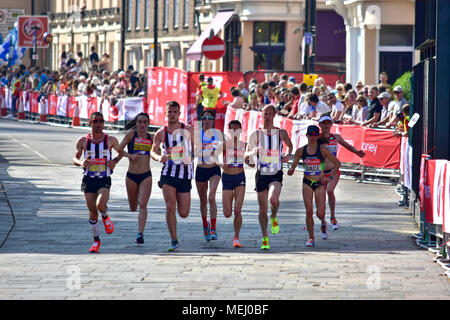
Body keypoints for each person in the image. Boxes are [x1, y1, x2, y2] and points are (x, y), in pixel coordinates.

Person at [245, 104, 293, 250]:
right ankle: (265, 237)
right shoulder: (256, 134)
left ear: (274, 115)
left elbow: (290, 147)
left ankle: (274, 216)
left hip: (276, 173)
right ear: (262, 114)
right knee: (262, 209)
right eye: (265, 113)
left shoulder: (281, 133)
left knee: (273, 199)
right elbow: (247, 156)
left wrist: (287, 156)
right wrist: (252, 154)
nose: (267, 116)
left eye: (269, 114)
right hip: (261, 174)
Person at [72, 112, 122, 253]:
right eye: (95, 121)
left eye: (100, 121)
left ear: (104, 123)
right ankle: (96, 240)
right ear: (90, 123)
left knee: (100, 205)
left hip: (104, 179)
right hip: (89, 179)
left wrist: (114, 161)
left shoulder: (110, 139)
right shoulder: (83, 140)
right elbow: (74, 158)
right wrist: (81, 162)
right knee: (92, 213)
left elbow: (121, 152)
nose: (98, 124)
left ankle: (105, 215)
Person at [287, 125, 341, 247]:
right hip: (307, 183)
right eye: (310, 134)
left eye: (314, 134)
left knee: (320, 213)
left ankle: (323, 221)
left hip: (320, 184)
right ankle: (311, 238)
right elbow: (293, 165)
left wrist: (330, 177)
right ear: (306, 135)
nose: (312, 137)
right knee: (309, 211)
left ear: (317, 136)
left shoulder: (322, 150)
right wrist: (291, 170)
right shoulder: (301, 151)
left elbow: (337, 163)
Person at [151, 101, 194, 252]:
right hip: (168, 172)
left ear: (179, 113)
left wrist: (190, 157)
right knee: (170, 205)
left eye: (175, 112)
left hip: (185, 174)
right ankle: (174, 239)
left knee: (183, 213)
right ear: (166, 113)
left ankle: (175, 219)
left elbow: (198, 149)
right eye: (170, 112)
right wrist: (158, 158)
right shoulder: (161, 132)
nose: (172, 114)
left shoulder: (188, 129)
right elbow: (153, 151)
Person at [317, 115, 365, 230]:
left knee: (329, 190)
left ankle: (333, 217)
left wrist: (357, 152)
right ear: (320, 125)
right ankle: (323, 222)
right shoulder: (317, 139)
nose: (326, 125)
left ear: (331, 125)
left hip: (333, 171)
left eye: (328, 123)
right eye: (324, 123)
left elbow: (347, 146)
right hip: (320, 173)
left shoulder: (336, 137)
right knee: (321, 199)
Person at [118, 113, 153, 244]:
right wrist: (130, 155)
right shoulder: (131, 135)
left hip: (146, 175)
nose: (142, 125)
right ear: (136, 123)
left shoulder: (151, 137)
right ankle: (138, 226)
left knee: (143, 204)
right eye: (140, 122)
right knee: (133, 207)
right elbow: (119, 149)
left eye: (145, 122)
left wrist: (158, 155)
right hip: (131, 176)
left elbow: (157, 151)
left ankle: (140, 234)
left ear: (148, 124)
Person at [194, 109, 222, 242]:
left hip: (214, 169)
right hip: (200, 169)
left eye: (210, 118)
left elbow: (216, 152)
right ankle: (205, 224)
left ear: (213, 120)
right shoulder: (197, 134)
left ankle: (213, 228)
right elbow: (195, 152)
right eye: (204, 118)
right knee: (203, 200)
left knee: (211, 197)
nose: (207, 120)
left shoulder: (218, 134)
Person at [221, 120, 246, 248]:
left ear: (241, 130)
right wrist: (221, 164)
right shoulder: (225, 145)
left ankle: (236, 237)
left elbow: (252, 163)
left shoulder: (245, 145)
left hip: (240, 178)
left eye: (237, 129)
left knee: (237, 210)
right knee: (227, 213)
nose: (235, 132)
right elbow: (212, 157)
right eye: (232, 130)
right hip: (227, 178)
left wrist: (249, 159)